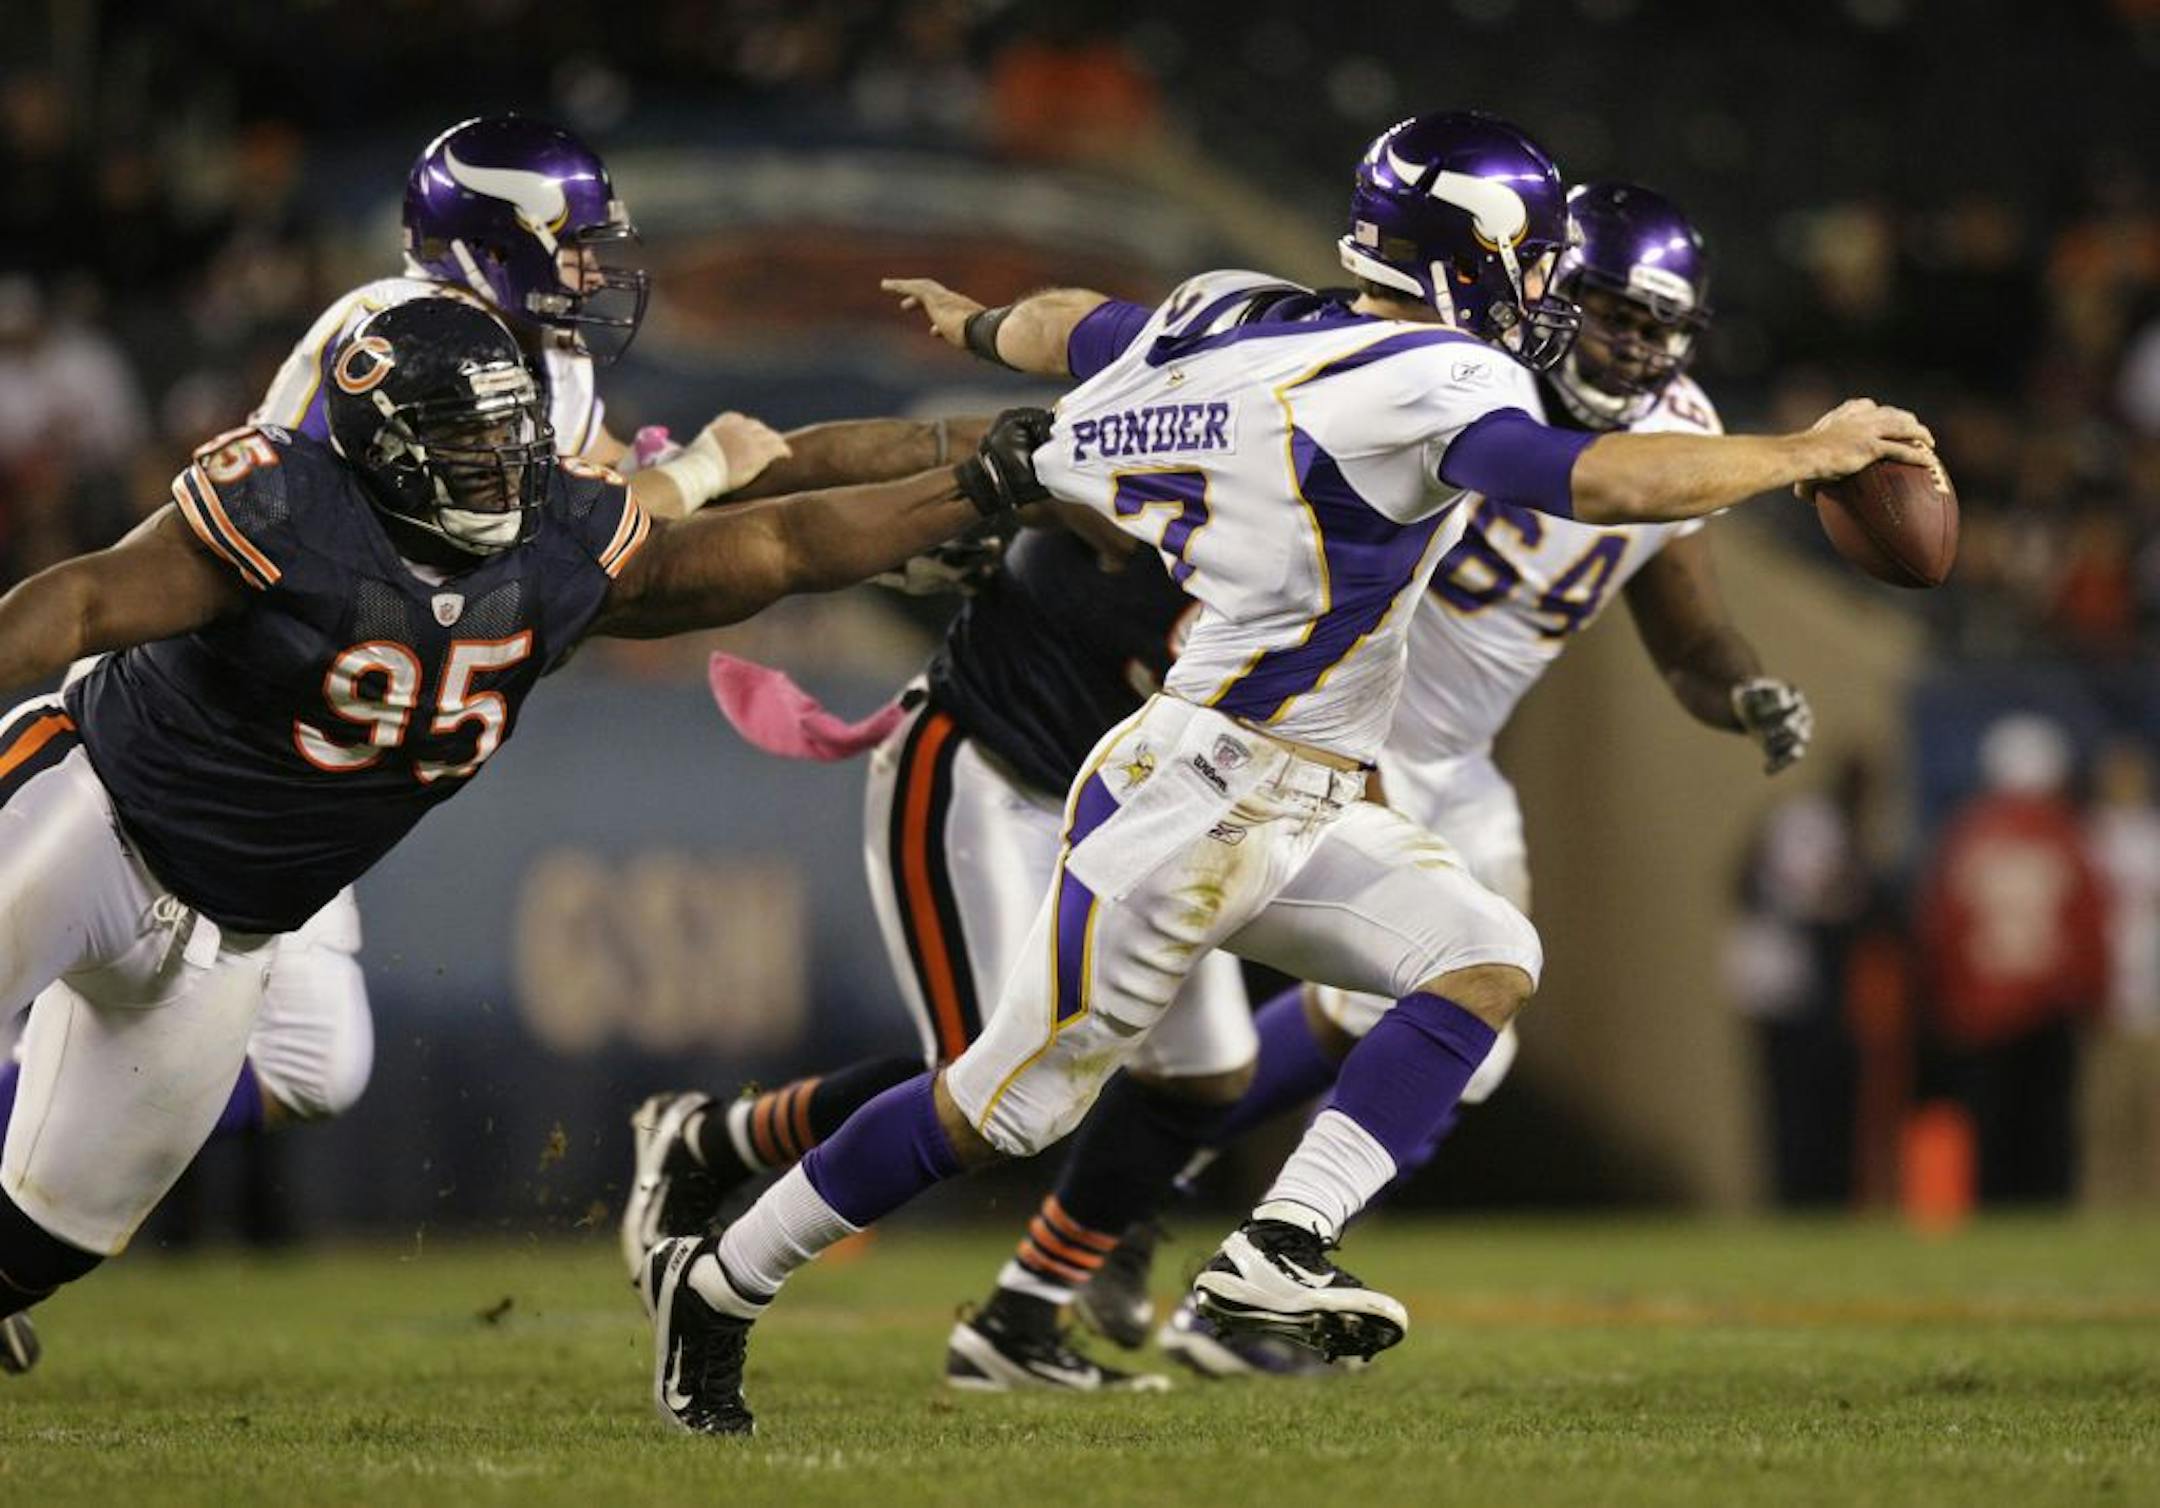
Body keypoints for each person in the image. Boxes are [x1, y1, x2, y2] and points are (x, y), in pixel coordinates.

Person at [637, 109, 1937, 1434]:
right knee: (999, 1107)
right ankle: (723, 1281)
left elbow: (1074, 323)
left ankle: (1274, 1256)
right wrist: (1805, 453)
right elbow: (1593, 480)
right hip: (1196, 795)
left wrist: (981, 327)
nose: (1546, 293)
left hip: (1289, 786)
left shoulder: (1227, 313)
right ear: (1469, 251)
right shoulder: (1437, 377)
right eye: (1535, 259)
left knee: (1484, 955)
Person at [0, 113, 981, 1374]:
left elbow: (610, 532)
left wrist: (950, 474)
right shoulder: (369, 350)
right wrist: (676, 492)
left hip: (291, 823)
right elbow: (393, 557)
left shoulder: (550, 376)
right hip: (195, 737)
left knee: (251, 1101)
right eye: (568, 246)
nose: (594, 271)